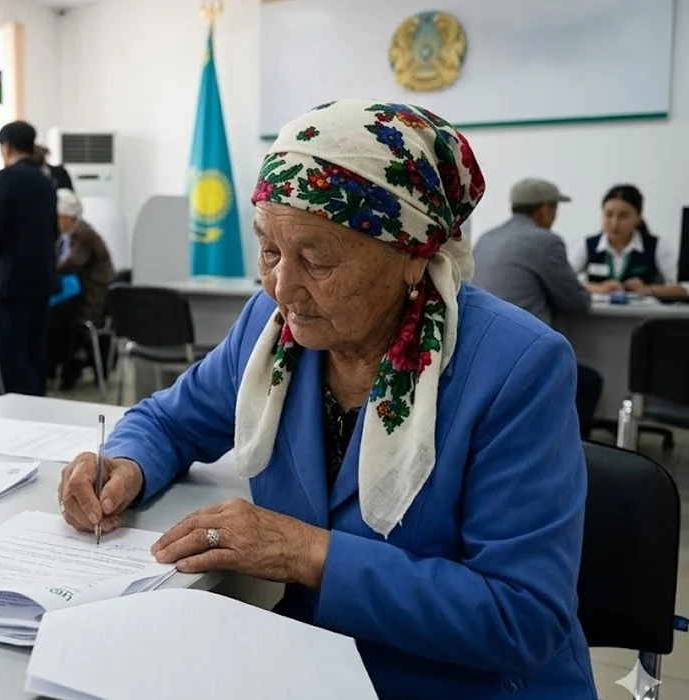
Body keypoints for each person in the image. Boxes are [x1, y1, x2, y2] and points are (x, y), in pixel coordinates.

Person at [58, 100, 594, 698]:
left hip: (466, 683)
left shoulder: (516, 366)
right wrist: (124, 462)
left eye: (316, 259)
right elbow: (171, 419)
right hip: (311, 661)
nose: (283, 287)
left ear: (412, 257)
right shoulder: (274, 330)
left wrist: (309, 553)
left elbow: (521, 615)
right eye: (268, 250)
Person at [472, 178, 602, 437]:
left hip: (479, 355)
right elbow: (577, 302)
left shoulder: (485, 239)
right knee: (590, 382)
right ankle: (574, 451)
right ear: (544, 210)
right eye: (554, 209)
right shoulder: (546, 241)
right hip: (521, 357)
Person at [0, 121, 58, 396]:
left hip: (12, 281)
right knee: (36, 350)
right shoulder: (46, 182)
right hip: (43, 279)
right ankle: (40, 406)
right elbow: (54, 231)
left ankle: (22, 414)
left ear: (6, 146)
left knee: (13, 353)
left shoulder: (4, 179)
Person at [570, 184, 689, 300]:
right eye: (609, 215)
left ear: (638, 217)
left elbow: (685, 287)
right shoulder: (587, 245)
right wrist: (597, 288)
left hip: (645, 317)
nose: (614, 223)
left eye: (623, 216)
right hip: (595, 317)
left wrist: (648, 289)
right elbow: (562, 282)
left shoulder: (657, 246)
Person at [48, 188, 115, 389]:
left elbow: (68, 264)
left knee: (55, 319)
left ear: (69, 217)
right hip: (81, 293)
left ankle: (64, 368)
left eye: (59, 218)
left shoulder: (83, 235)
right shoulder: (67, 236)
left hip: (93, 298)